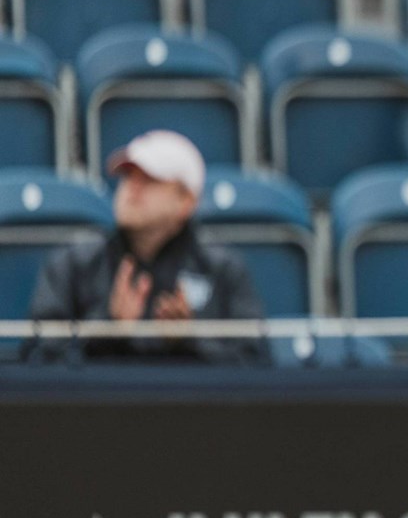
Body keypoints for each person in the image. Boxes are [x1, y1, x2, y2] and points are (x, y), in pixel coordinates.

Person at [28, 130, 264, 362]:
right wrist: (107, 330)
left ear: (186, 201)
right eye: (128, 176)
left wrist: (190, 341)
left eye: (150, 179)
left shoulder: (223, 269)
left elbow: (257, 363)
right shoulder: (74, 263)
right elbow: (38, 358)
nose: (133, 188)